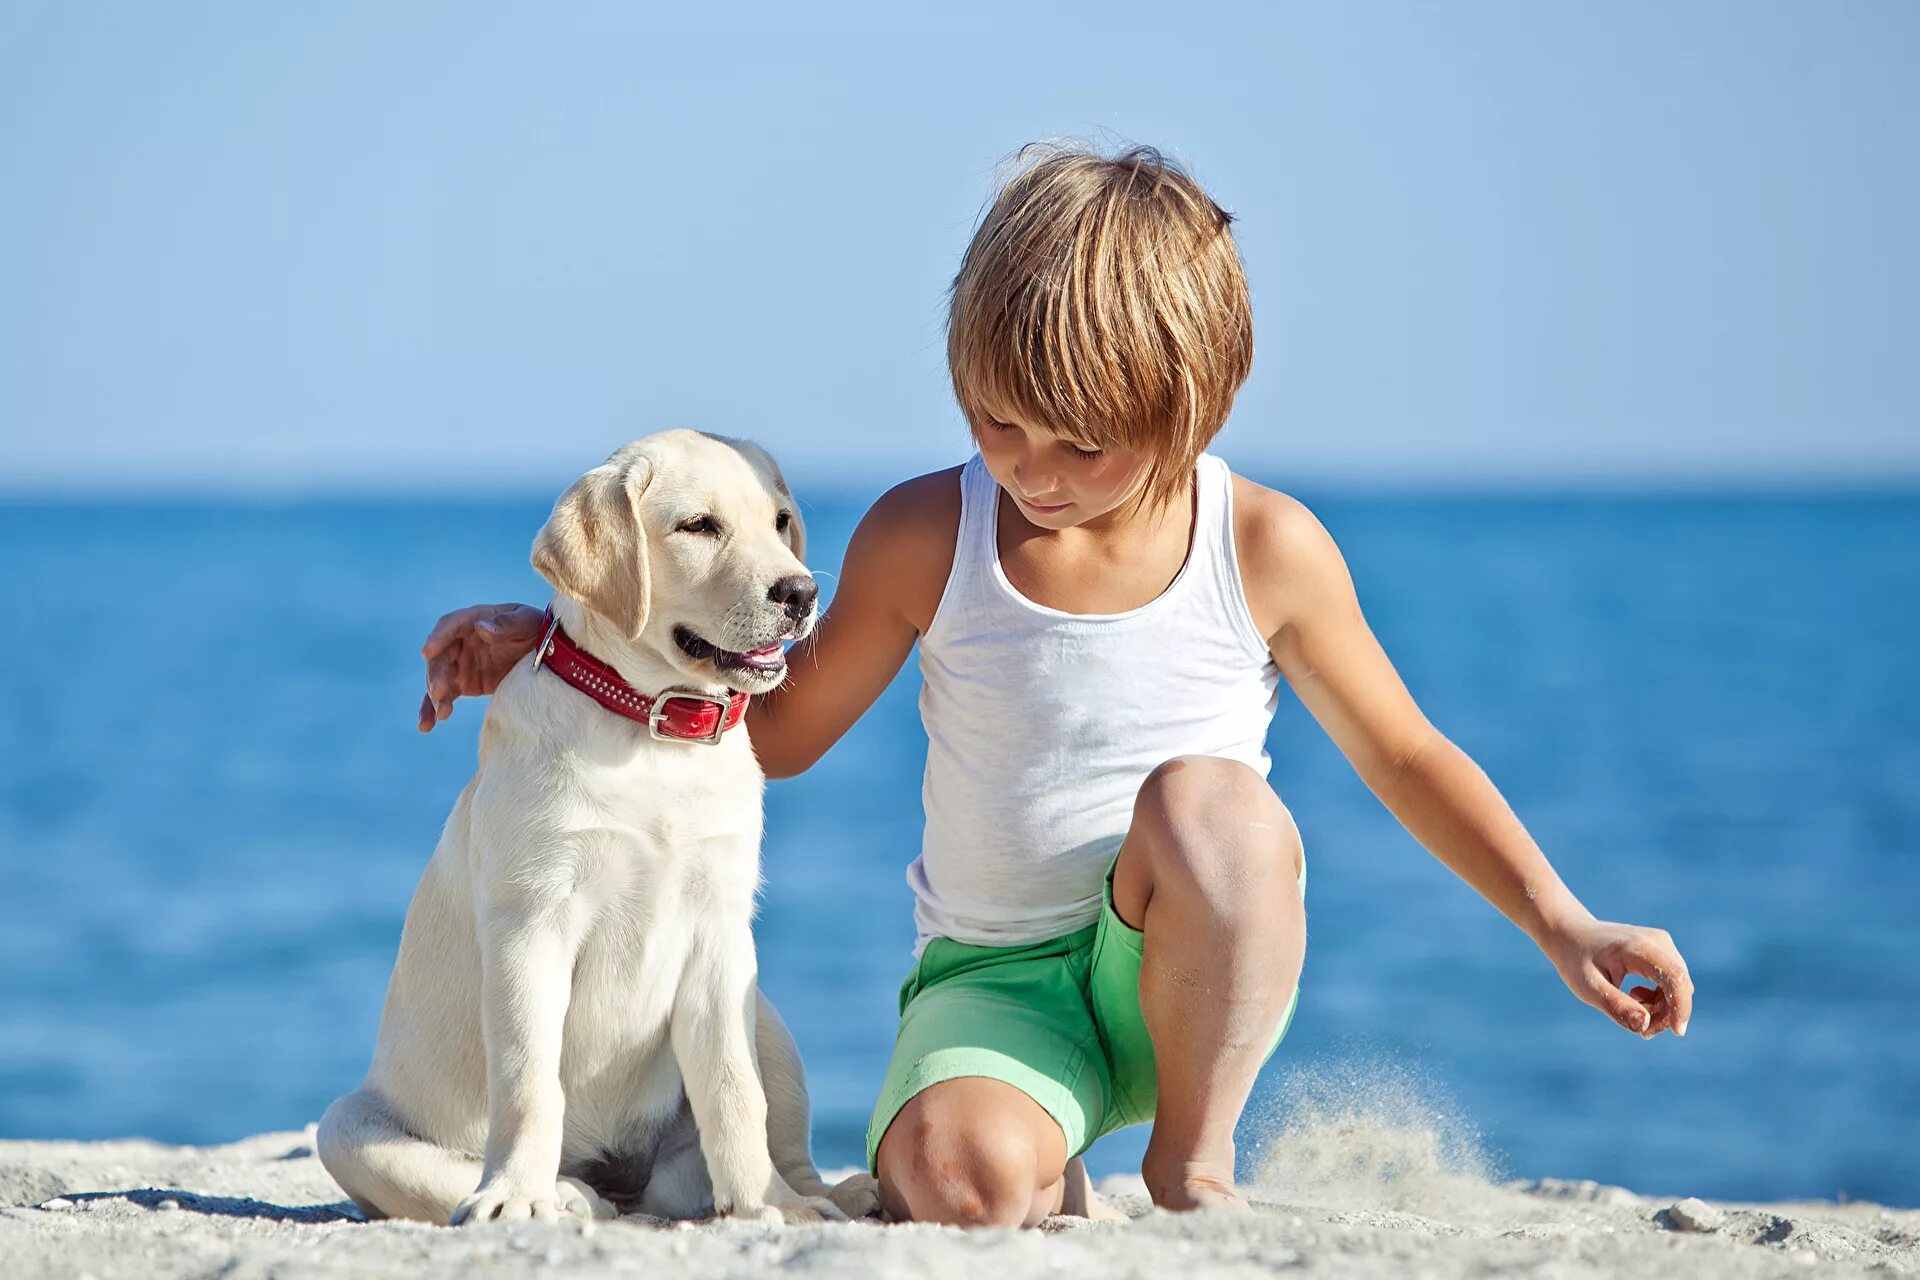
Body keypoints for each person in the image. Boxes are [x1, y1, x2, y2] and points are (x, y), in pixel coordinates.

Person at [415, 142, 1693, 1228]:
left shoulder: (1265, 546)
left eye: (1081, 442)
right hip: (994, 980)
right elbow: (778, 725)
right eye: (995, 420)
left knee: (1216, 804)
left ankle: (1188, 1155)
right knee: (961, 1185)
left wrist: (1562, 920)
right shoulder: (930, 532)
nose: (1033, 468)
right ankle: (1036, 1139)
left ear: (1194, 410)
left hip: (1182, 971)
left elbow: (1406, 755)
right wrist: (563, 636)